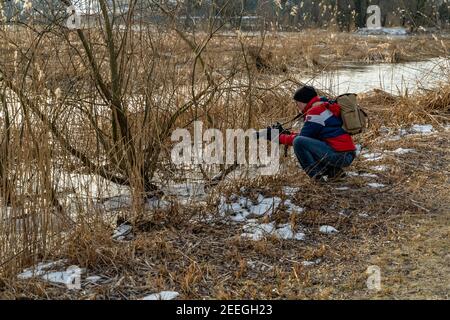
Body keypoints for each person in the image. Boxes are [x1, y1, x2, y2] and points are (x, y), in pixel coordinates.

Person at [265, 86, 357, 181]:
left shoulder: (316, 111)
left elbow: (301, 139)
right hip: (346, 154)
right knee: (306, 142)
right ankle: (334, 172)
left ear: (302, 101)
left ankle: (317, 177)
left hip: (341, 156)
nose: (297, 106)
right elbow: (309, 138)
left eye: (297, 103)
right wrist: (286, 133)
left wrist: (276, 137)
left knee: (298, 142)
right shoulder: (324, 106)